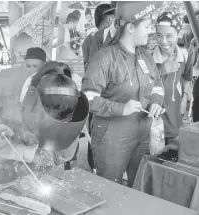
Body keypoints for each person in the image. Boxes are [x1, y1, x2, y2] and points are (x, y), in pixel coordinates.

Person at [0, 61, 89, 187]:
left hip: (33, 168)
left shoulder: (71, 110)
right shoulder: (5, 81)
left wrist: (17, 151)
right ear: (30, 103)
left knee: (35, 195)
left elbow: (59, 157)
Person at [81, 1, 164, 187]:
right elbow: (87, 99)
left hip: (143, 134)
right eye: (147, 26)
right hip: (112, 136)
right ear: (131, 27)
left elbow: (157, 85)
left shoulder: (145, 56)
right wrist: (121, 108)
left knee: (140, 186)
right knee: (110, 188)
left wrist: (156, 102)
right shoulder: (105, 58)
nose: (150, 31)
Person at [153, 11, 194, 148]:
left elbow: (187, 78)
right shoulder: (147, 56)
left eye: (169, 35)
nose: (163, 41)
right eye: (159, 35)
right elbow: (138, 85)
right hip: (152, 122)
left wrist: (185, 98)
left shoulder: (185, 55)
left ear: (179, 33)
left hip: (175, 118)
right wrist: (160, 71)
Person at [82, 3, 115, 69]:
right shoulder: (111, 36)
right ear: (110, 19)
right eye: (115, 17)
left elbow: (86, 66)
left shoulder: (87, 39)